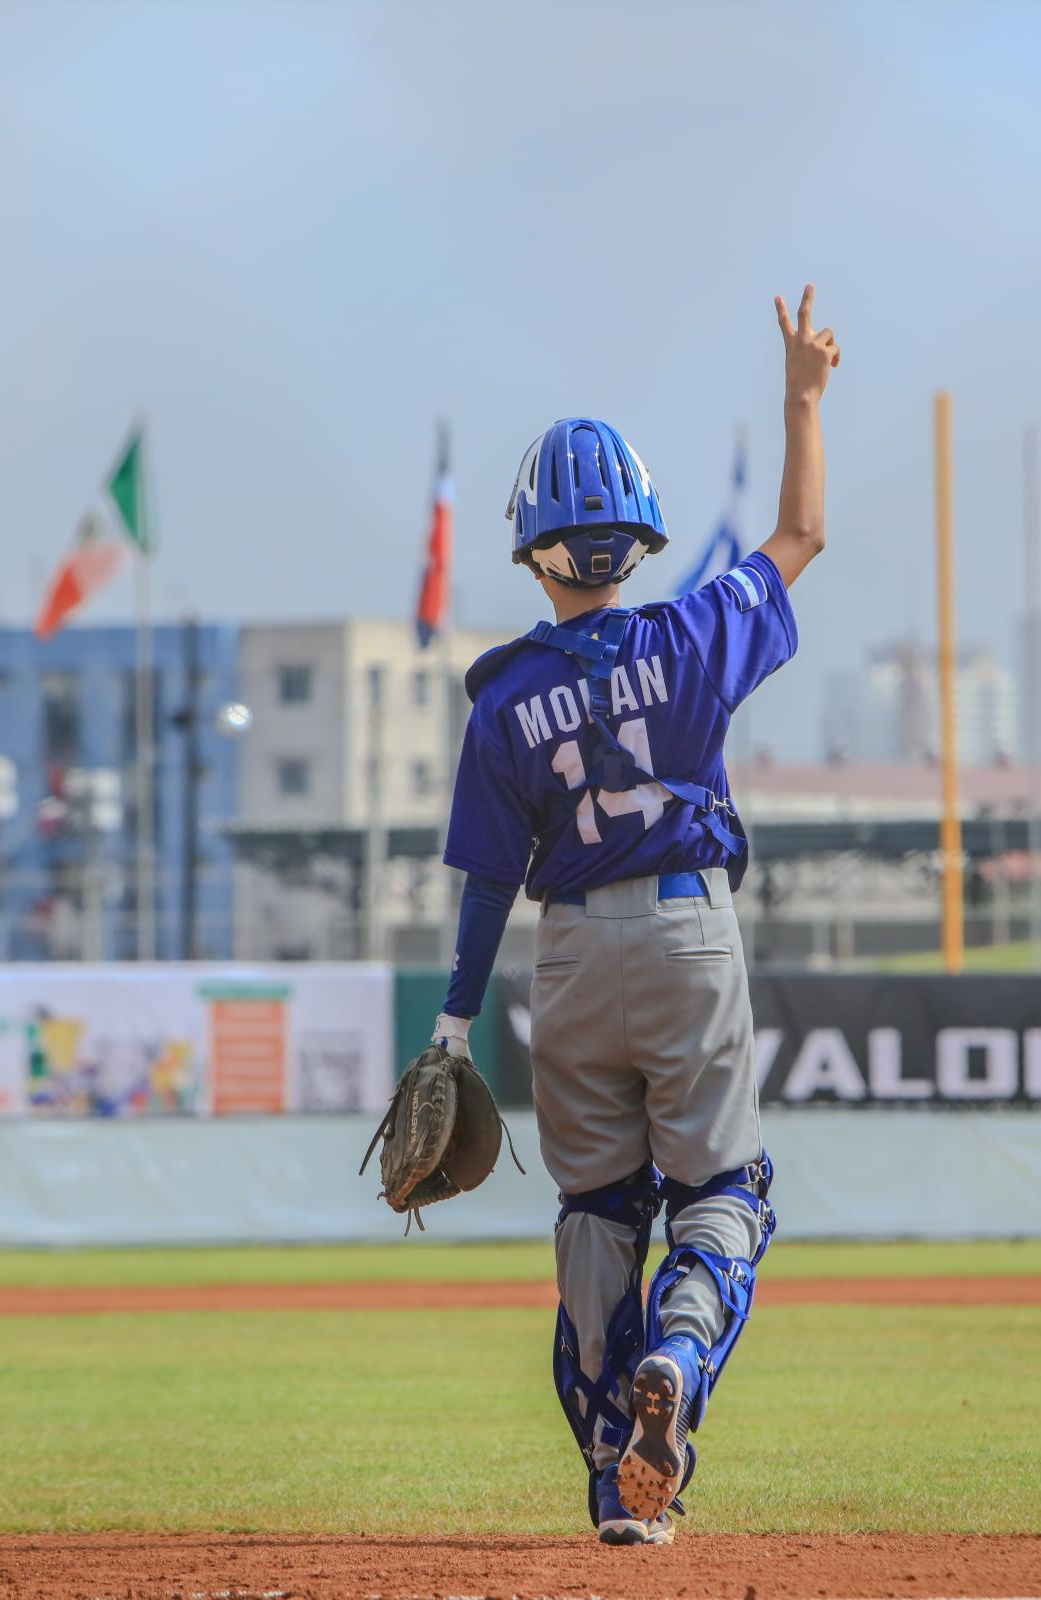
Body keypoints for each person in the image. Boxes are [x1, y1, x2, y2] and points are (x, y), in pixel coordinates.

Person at [431, 286, 838, 1544]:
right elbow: (801, 533)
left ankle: (622, 1481)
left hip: (566, 955)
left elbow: (489, 879)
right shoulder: (695, 630)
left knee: (597, 1209)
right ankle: (676, 1355)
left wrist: (452, 1028)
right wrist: (801, 397)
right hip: (685, 929)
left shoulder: (499, 702)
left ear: (532, 549)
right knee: (722, 1187)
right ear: (637, 537)